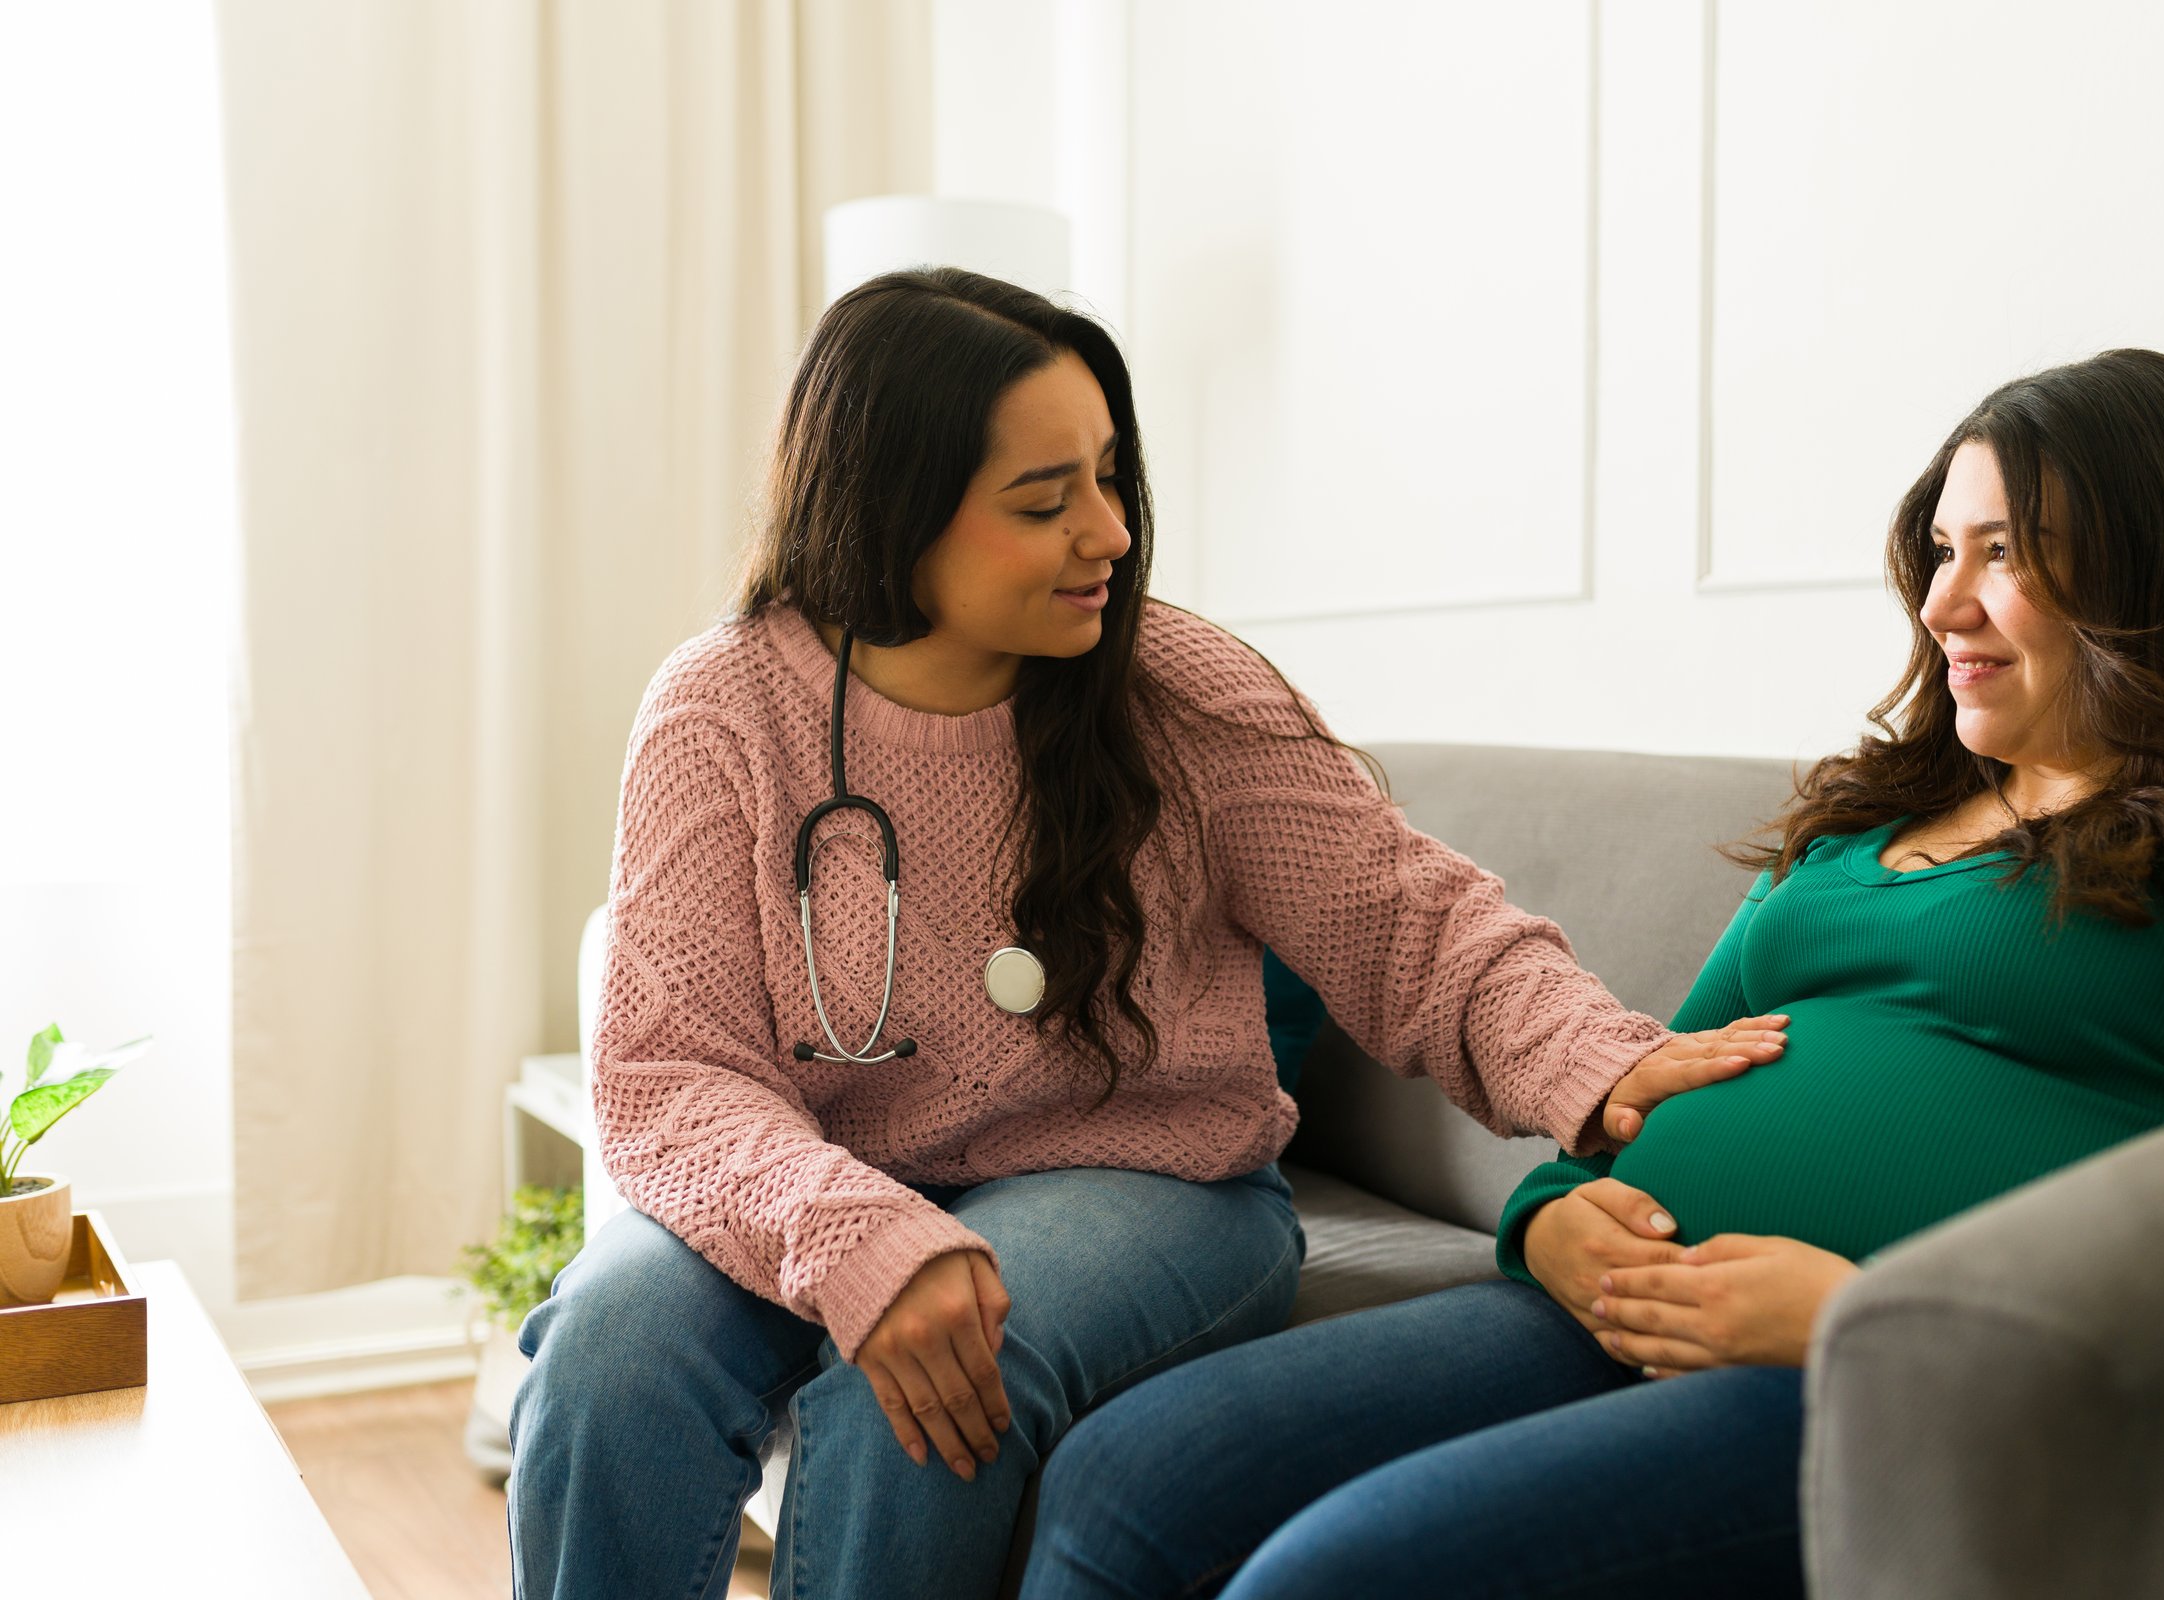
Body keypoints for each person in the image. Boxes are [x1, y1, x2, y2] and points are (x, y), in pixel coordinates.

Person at [1018, 347, 2164, 1600]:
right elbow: (1639, 1083)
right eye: (1938, 550)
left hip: (1874, 1375)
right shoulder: (1865, 834)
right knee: (1128, 1479)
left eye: (2007, 553)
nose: (1943, 603)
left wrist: (1862, 1321)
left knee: (1335, 1581)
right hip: (1590, 1301)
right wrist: (1552, 1219)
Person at [504, 268, 1785, 1600]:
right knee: (610, 1353)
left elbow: (1410, 920)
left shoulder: (1182, 690)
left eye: (1113, 479)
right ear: (893, 513)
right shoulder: (723, 710)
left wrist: (1597, 1058)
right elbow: (668, 1074)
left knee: (943, 1379)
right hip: (820, 1172)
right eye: (1045, 502)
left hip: (1154, 1183)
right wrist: (852, 1230)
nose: (1110, 533)